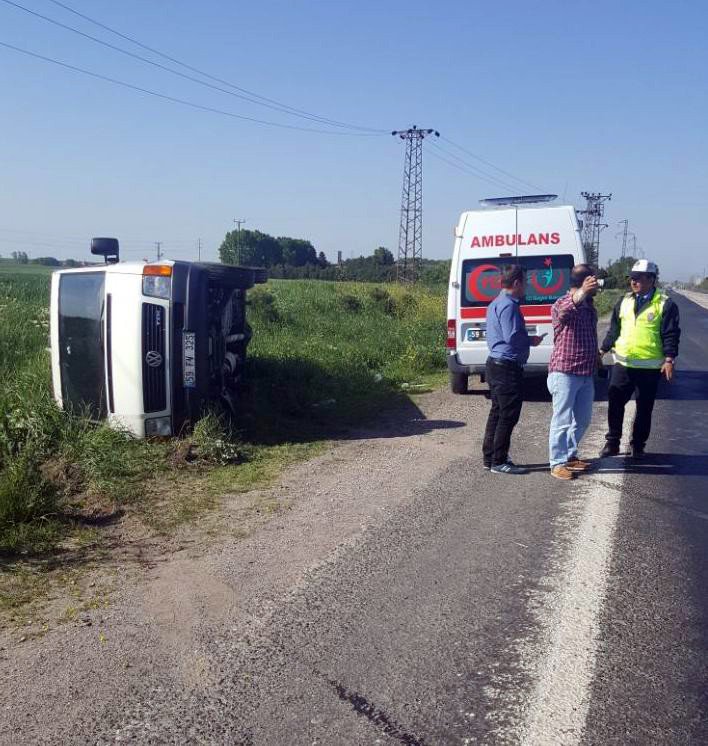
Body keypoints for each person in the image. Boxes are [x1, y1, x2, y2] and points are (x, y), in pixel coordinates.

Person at [599, 259, 680, 459]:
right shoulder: (623, 301)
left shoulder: (665, 304)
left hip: (650, 367)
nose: (633, 282)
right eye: (632, 278)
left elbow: (671, 334)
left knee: (644, 408)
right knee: (615, 402)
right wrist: (601, 350)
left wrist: (669, 359)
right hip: (623, 364)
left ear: (651, 279)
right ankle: (613, 442)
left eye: (638, 278)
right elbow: (614, 331)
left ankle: (638, 445)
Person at [482, 265, 545, 475]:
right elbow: (512, 336)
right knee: (508, 414)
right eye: (525, 282)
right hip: (506, 367)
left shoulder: (496, 303)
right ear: (517, 283)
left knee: (497, 412)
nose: (526, 286)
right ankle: (498, 461)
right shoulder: (509, 305)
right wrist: (531, 340)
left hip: (495, 364)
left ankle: (490, 457)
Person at [546, 265, 601, 480]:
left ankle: (569, 454)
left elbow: (591, 335)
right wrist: (582, 292)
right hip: (565, 372)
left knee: (584, 419)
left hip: (585, 372)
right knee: (562, 419)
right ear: (583, 282)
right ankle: (557, 462)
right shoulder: (562, 302)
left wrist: (596, 357)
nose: (597, 286)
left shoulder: (590, 307)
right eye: (593, 282)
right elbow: (564, 313)